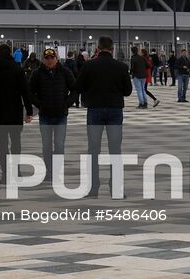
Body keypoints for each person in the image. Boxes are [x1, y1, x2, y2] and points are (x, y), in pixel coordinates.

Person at [73, 35, 133, 198]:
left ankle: (93, 188)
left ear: (97, 49)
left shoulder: (89, 65)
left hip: (95, 110)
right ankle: (115, 188)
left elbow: (78, 86)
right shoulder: (121, 67)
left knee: (93, 150)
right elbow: (127, 91)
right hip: (114, 110)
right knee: (115, 150)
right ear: (112, 50)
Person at [27, 47, 75, 184]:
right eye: (46, 58)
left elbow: (75, 89)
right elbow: (30, 92)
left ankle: (57, 171)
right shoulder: (37, 73)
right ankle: (49, 171)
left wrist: (66, 104)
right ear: (43, 59)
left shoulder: (65, 72)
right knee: (46, 145)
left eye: (52, 58)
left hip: (61, 115)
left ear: (56, 59)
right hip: (45, 115)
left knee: (59, 145)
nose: (49, 61)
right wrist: (39, 105)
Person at [0, 43, 33, 172]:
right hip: (15, 109)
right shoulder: (18, 69)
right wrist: (29, 111)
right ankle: (16, 170)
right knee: (15, 142)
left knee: (2, 144)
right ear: (10, 53)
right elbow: (25, 91)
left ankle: (5, 172)